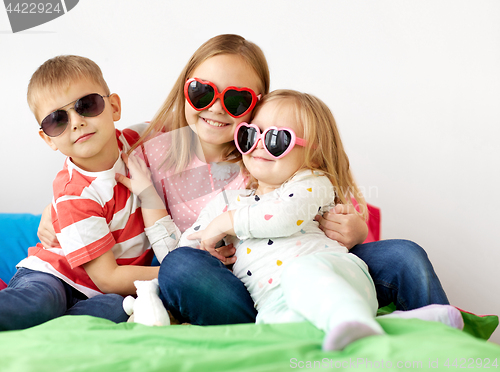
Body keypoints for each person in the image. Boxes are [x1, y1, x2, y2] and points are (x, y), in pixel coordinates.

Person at [37, 35, 448, 326]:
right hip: (235, 285)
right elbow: (89, 158)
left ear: (258, 106)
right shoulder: (152, 146)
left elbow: (325, 192)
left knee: (404, 254)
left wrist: (357, 226)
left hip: (308, 260)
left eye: (235, 100)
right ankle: (268, 325)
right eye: (202, 93)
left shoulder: (268, 153)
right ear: (185, 92)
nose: (216, 108)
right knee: (179, 267)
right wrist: (54, 209)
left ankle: (448, 343)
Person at [143, 89, 462, 350]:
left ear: (314, 155)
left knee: (303, 274)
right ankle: (398, 327)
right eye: (250, 134)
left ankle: (443, 343)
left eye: (277, 140)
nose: (258, 146)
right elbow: (191, 242)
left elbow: (282, 217)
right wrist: (205, 250)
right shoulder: (229, 202)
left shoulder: (311, 182)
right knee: (279, 330)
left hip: (328, 272)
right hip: (272, 299)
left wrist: (228, 222)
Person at [0, 55, 180, 331]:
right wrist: (175, 276)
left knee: (116, 309)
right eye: (56, 120)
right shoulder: (74, 194)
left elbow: (185, 123)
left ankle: (52, 326)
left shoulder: (137, 142)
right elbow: (108, 277)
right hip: (52, 275)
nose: (76, 122)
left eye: (87, 105)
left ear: (114, 107)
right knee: (43, 302)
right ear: (48, 138)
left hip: (96, 292)